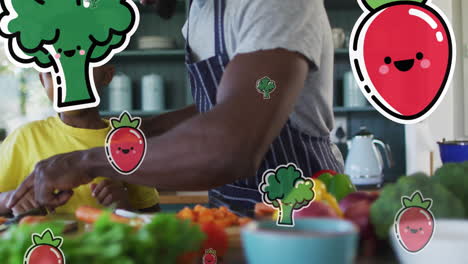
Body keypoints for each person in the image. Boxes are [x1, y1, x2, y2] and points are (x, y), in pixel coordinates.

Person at [8, 0, 343, 216]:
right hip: (230, 219)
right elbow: (225, 104)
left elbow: (232, 144)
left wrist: (89, 160)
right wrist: (144, 131)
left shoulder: (273, 4)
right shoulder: (200, 13)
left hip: (305, 217)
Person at [0, 65, 160, 216]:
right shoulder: (25, 138)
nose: (66, 82)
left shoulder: (128, 140)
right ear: (43, 81)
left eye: (79, 70)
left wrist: (125, 208)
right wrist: (10, 200)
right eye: (52, 73)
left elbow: (152, 216)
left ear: (107, 75)